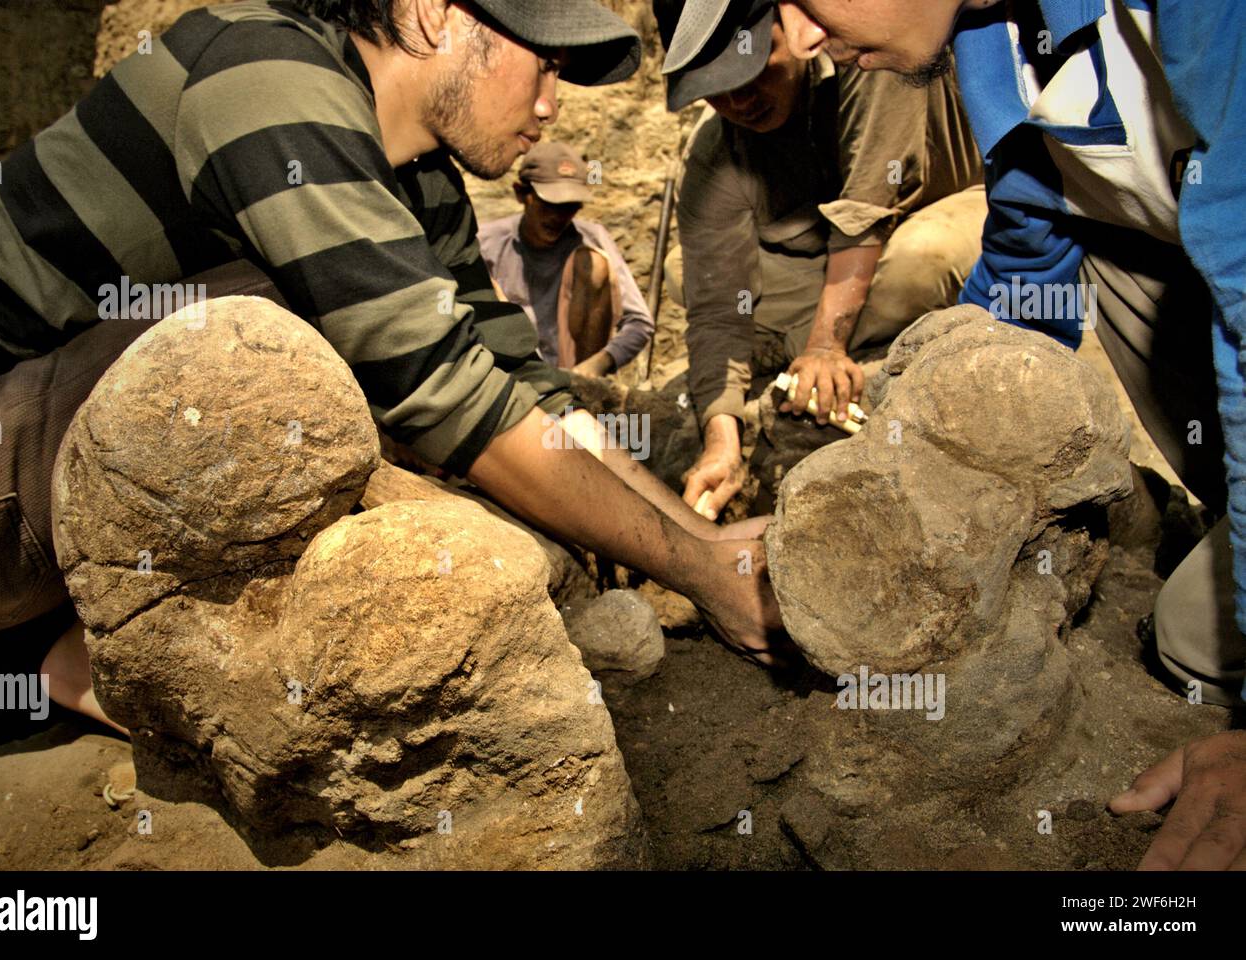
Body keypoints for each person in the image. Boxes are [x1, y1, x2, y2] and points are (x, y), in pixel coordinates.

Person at [0, 0, 785, 746]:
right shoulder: (266, 75)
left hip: (46, 502)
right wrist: (693, 571)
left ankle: (49, 647)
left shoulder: (418, 180)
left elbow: (519, 382)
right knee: (276, 327)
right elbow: (447, 392)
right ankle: (39, 647)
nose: (548, 107)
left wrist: (703, 544)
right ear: (433, 13)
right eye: (543, 63)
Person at [736, 0, 1246, 870]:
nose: (806, 38)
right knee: (1194, 641)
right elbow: (1023, 268)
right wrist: (887, 461)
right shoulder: (988, 38)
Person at [654, 0, 986, 520]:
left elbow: (866, 215)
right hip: (835, 256)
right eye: (716, 87)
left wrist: (825, 347)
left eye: (754, 67)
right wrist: (722, 437)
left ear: (796, 26)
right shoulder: (716, 152)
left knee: (920, 261)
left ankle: (847, 350)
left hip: (946, 209)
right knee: (685, 273)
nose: (740, 99)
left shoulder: (867, 58)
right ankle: (826, 346)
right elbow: (717, 309)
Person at [478, 141, 654, 379]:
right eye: (548, 205)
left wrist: (598, 365)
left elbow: (639, 323)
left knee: (593, 264)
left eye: (568, 207)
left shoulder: (592, 238)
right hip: (510, 374)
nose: (557, 217)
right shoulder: (488, 242)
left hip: (573, 374)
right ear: (522, 194)